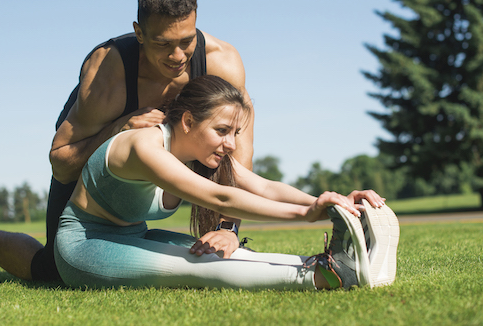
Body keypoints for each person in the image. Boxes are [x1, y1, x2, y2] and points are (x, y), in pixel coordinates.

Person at [0, 0, 254, 282]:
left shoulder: (222, 63)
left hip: (157, 159)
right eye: (163, 44)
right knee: (55, 269)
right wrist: (117, 129)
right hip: (94, 148)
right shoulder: (109, 73)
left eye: (187, 41)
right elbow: (61, 162)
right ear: (139, 34)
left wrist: (228, 228)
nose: (177, 56)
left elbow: (238, 152)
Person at [54, 75, 396, 290]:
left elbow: (263, 187)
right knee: (200, 267)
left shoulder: (200, 155)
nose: (230, 144)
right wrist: (308, 214)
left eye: (235, 133)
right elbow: (221, 198)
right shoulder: (144, 145)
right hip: (85, 246)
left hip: (134, 234)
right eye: (222, 131)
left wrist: (332, 203)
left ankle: (334, 262)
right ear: (188, 121)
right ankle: (328, 276)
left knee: (233, 254)